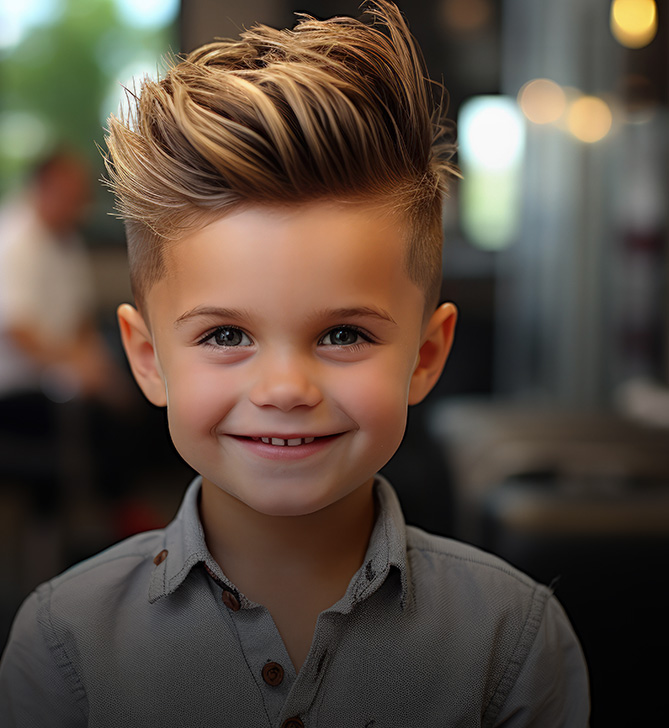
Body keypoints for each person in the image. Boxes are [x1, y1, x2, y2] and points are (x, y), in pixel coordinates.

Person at [0, 2, 590, 725]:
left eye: (343, 335)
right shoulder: (64, 646)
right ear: (148, 360)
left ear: (425, 355)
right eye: (224, 336)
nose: (283, 389)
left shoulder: (512, 643)